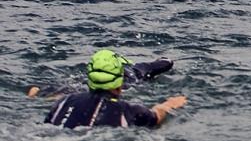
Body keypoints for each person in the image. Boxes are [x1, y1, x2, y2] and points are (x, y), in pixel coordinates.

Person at [44, 50, 186, 129]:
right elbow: (156, 116)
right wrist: (171, 104)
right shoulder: (128, 108)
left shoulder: (65, 100)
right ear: (119, 85)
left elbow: (36, 92)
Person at [28, 56, 174, 99]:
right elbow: (167, 62)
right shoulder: (137, 69)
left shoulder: (87, 79)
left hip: (86, 90)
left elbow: (35, 88)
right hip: (121, 91)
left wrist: (32, 96)